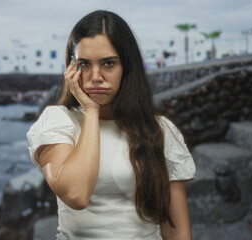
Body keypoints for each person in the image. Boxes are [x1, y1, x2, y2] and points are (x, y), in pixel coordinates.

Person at [27, 10, 196, 240]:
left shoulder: (159, 130)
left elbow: (177, 232)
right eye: (84, 64)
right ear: (71, 68)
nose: (95, 76)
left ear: (127, 66)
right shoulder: (57, 122)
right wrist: (91, 111)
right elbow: (76, 195)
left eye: (108, 63)